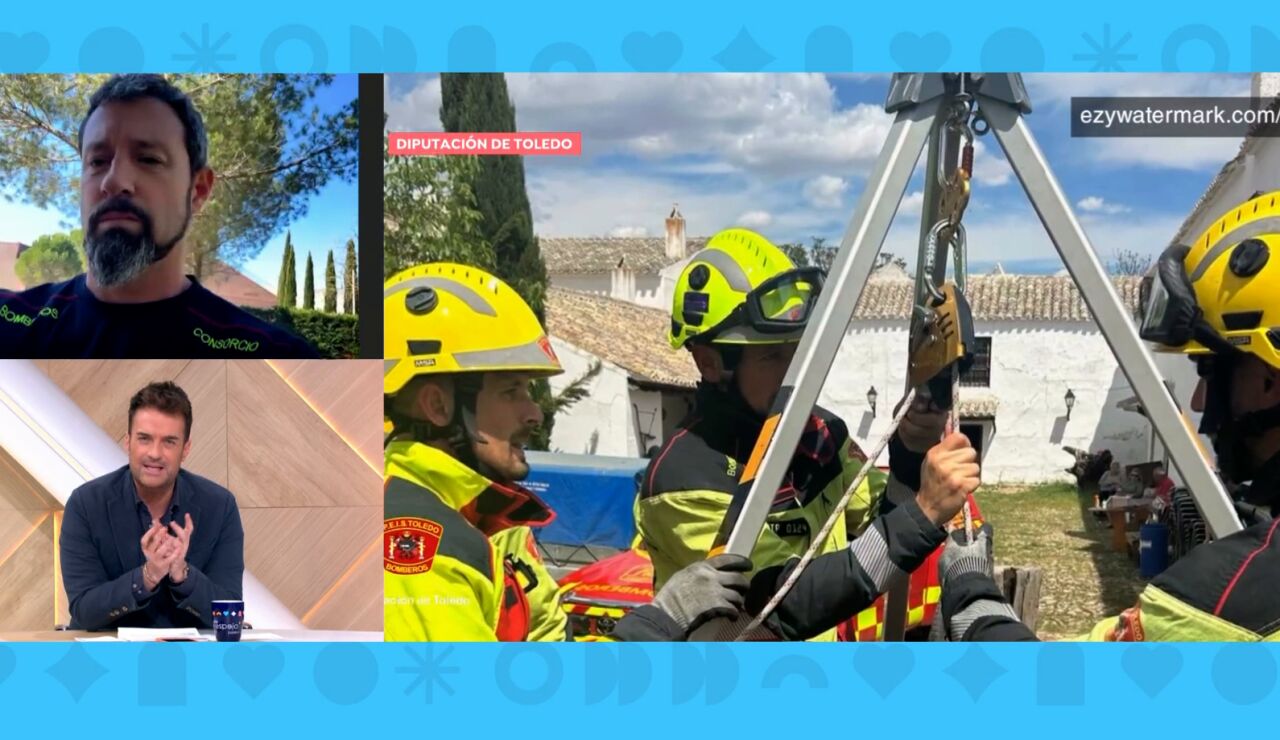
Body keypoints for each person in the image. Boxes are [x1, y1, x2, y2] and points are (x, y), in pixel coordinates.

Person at [937, 190, 1280, 642]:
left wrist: (969, 587)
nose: (1198, 400)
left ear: (1271, 374)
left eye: (1211, 371)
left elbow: (1041, 687)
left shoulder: (1222, 607)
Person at [631, 228, 978, 642]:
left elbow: (877, 518)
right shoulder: (684, 478)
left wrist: (910, 449)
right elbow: (773, 609)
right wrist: (921, 516)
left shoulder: (821, 434)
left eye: (798, 351)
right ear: (710, 362)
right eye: (773, 355)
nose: (795, 371)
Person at [0, 74, 317, 359]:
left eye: (149, 159)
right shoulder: (10, 321)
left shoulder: (277, 358)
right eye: (97, 161)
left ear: (198, 190)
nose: (114, 181)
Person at [382, 263, 569, 642]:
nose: (534, 413)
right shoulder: (423, 547)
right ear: (437, 406)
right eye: (510, 391)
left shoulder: (482, 517)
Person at [60, 381, 245, 631]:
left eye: (169, 442)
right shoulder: (86, 504)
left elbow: (230, 613)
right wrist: (147, 576)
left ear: (185, 449)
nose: (155, 453)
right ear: (128, 442)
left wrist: (182, 574)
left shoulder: (219, 506)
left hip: (191, 660)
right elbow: (85, 610)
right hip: (107, 659)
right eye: (144, 439)